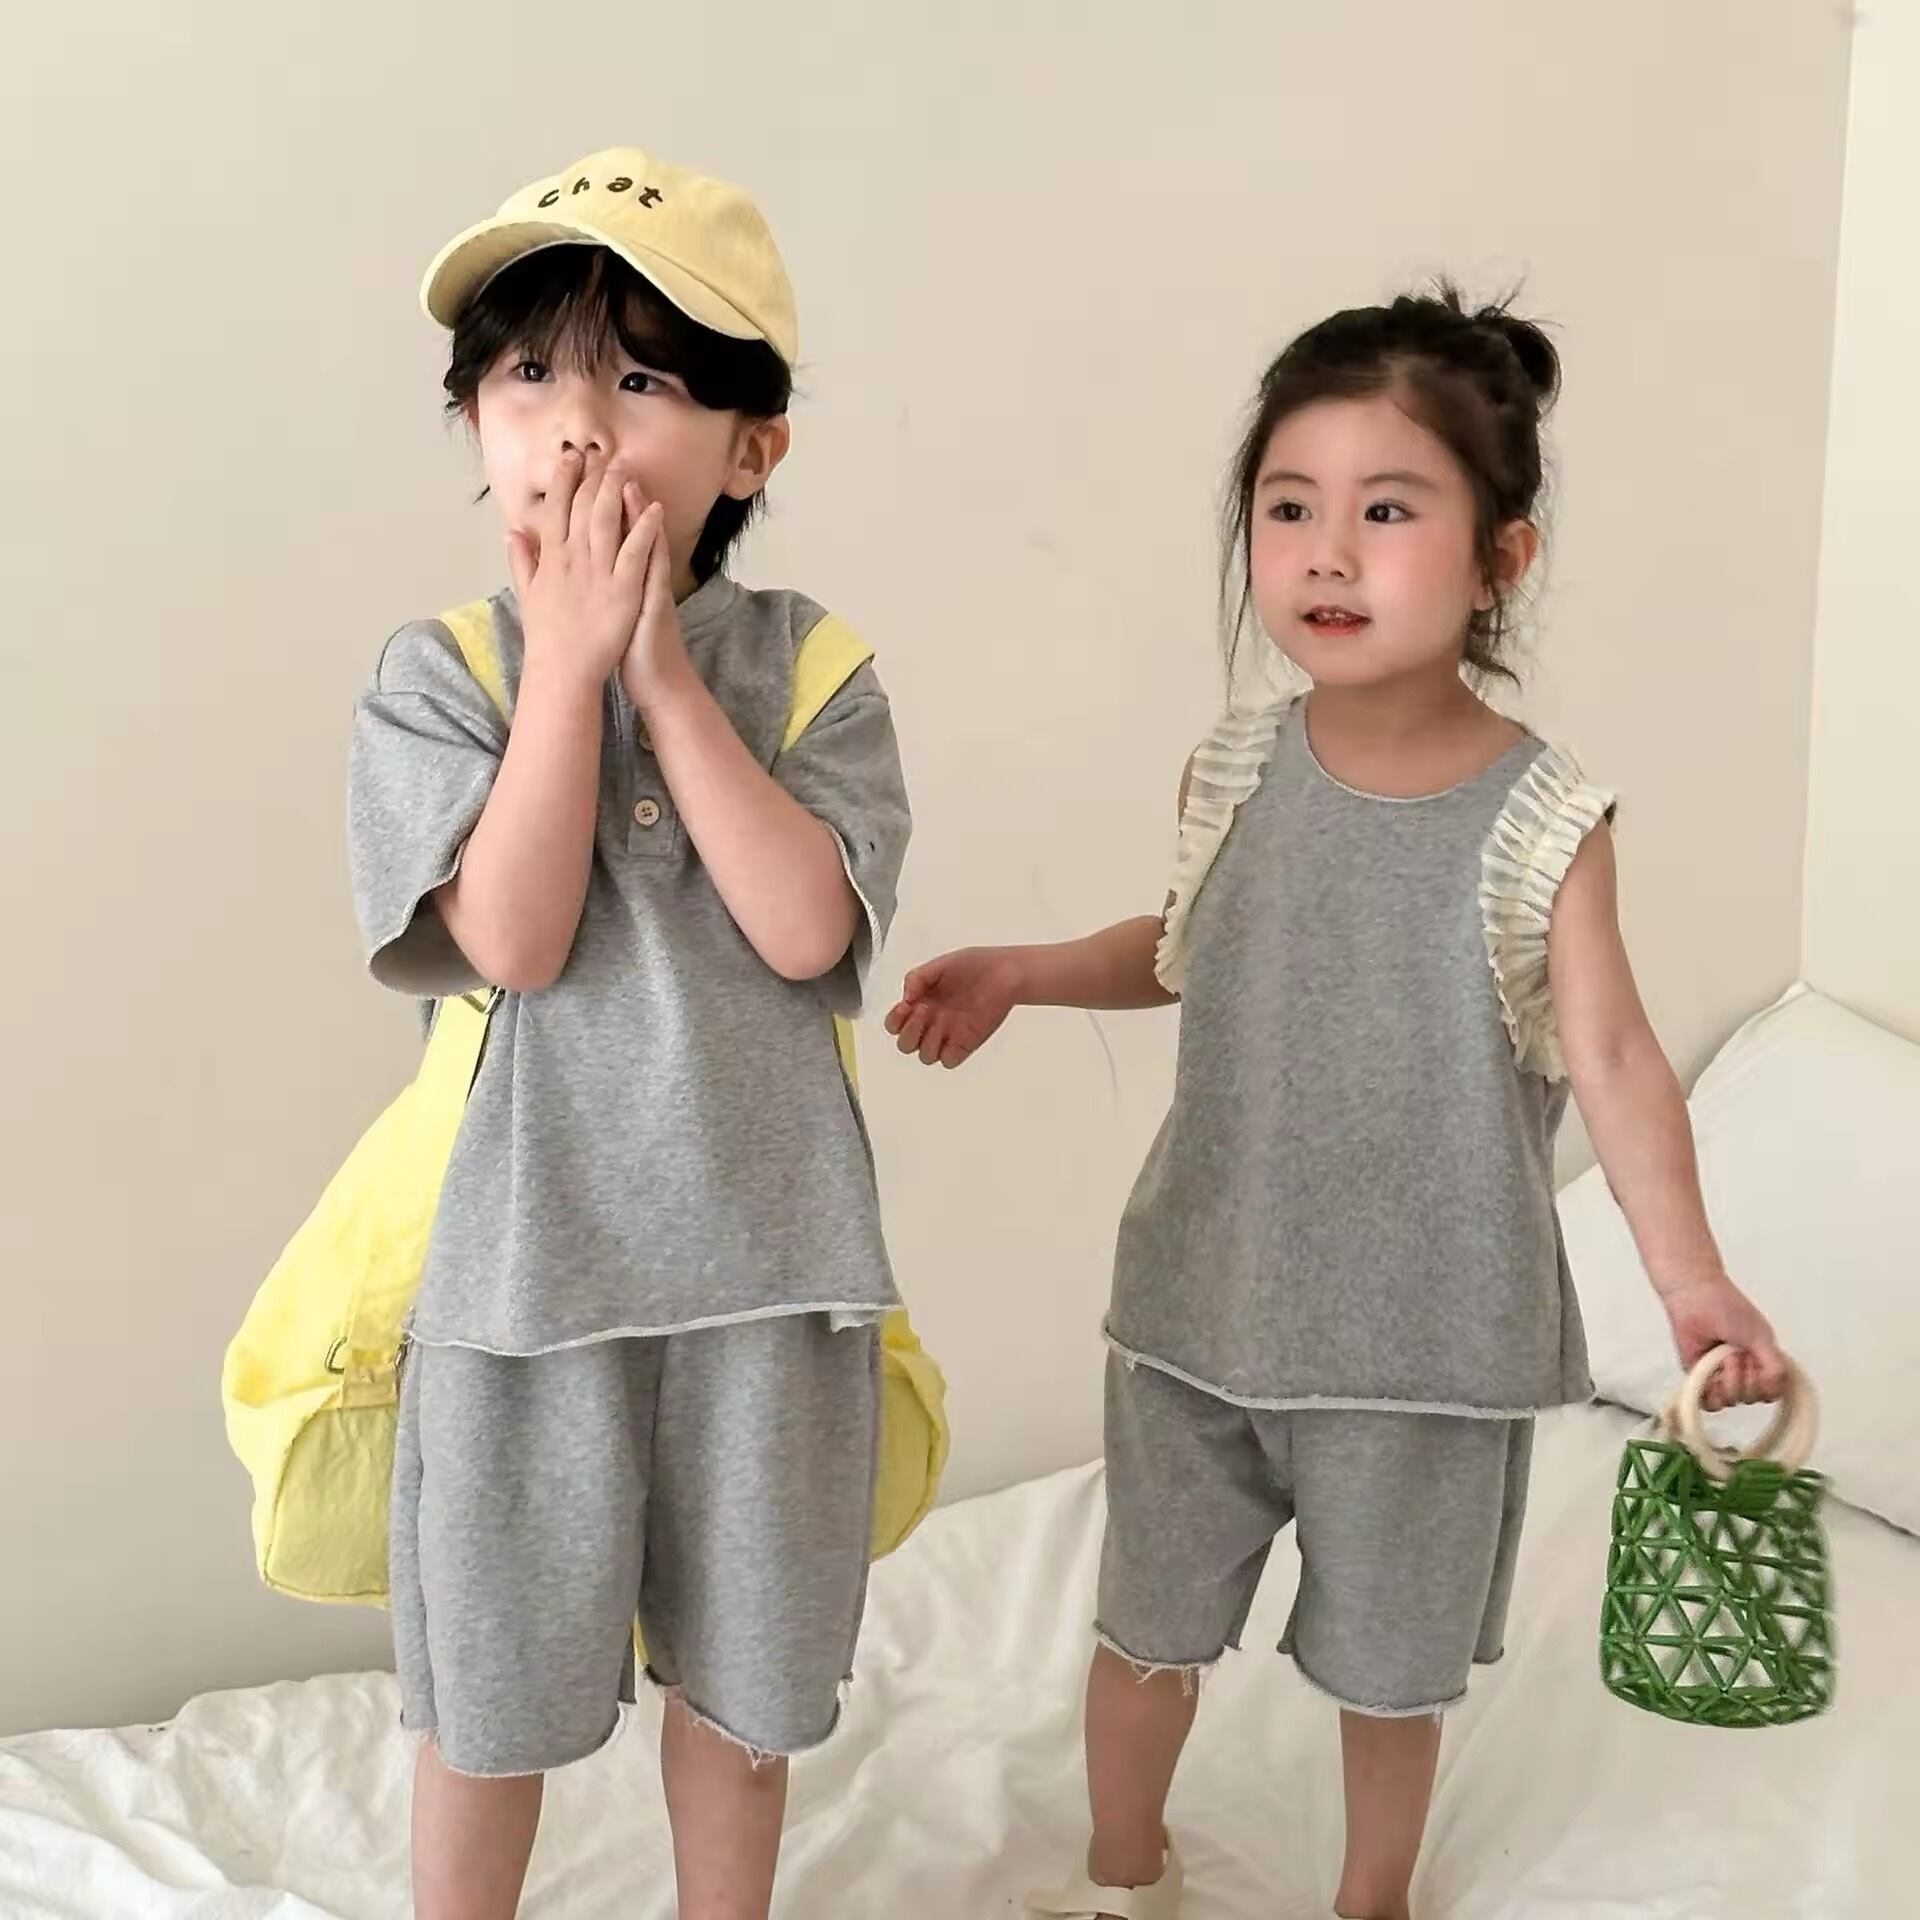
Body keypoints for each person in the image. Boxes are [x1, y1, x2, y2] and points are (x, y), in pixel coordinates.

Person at [885, 287, 1787, 1920]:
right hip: (1202, 1311)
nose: (1326, 554)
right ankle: (1123, 1876)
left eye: (1387, 512)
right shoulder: (1233, 768)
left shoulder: (1545, 821)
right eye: (1289, 508)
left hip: (1423, 1355)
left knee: (1393, 1675)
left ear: (1499, 558)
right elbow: (1185, 949)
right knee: (1143, 1630)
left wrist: (1693, 1282)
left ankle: (1371, 1902)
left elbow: (1614, 1058)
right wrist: (1024, 971)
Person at [347, 146, 911, 1920]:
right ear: (476, 421)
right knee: (489, 1707)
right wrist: (571, 666)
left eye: (645, 381)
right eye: (531, 374)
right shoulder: (440, 676)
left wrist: (660, 668)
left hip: (770, 1284)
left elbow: (806, 928)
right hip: (524, 1288)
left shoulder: (814, 671)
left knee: (744, 1705)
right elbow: (512, 941)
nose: (579, 427)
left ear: (754, 449)